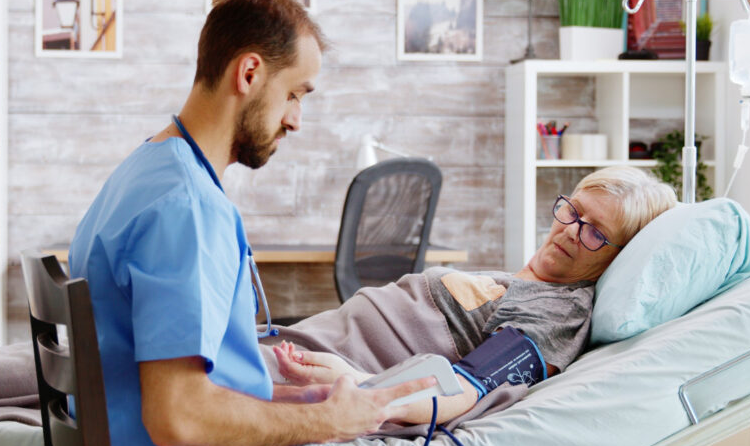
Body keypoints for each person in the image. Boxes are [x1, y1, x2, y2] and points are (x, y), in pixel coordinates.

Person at [68, 0, 509, 446]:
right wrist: (329, 424)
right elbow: (178, 416)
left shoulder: (147, 170)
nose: (296, 119)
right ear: (249, 74)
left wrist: (308, 402)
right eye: (296, 93)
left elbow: (167, 383)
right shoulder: (185, 209)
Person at [266, 165, 678, 426]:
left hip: (311, 370)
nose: (571, 229)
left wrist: (359, 386)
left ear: (616, 257)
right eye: (574, 211)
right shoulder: (526, 280)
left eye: (595, 232)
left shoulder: (560, 312)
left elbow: (466, 387)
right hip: (301, 341)